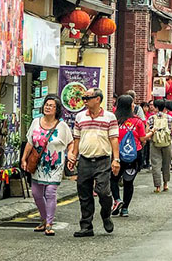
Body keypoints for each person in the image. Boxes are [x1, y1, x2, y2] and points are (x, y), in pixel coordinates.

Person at [68, 88, 120, 237]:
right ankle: (86, 225)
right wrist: (73, 156)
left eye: (87, 97)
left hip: (102, 159)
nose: (84, 100)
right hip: (84, 160)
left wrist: (116, 160)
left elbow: (114, 139)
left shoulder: (109, 117)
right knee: (84, 193)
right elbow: (77, 139)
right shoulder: (80, 117)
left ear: (98, 99)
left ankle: (106, 215)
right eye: (83, 98)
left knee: (103, 192)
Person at [21, 95, 73, 236]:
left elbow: (70, 142)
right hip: (37, 163)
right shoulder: (35, 122)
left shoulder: (62, 126)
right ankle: (43, 219)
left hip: (54, 164)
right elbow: (30, 142)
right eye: (46, 104)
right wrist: (24, 159)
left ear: (57, 110)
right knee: (37, 193)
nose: (47, 107)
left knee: (50, 192)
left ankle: (49, 223)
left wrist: (71, 155)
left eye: (51, 105)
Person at [111, 95, 150, 218]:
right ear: (129, 105)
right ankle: (125, 209)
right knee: (129, 182)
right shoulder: (137, 121)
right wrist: (151, 133)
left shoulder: (114, 120)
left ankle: (117, 200)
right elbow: (143, 138)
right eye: (133, 103)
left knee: (113, 180)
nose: (134, 105)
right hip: (134, 156)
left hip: (116, 155)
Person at [147, 99, 172, 192]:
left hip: (155, 142)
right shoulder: (169, 118)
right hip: (167, 142)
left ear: (156, 108)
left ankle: (157, 186)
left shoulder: (151, 118)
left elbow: (147, 131)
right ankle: (165, 184)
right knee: (166, 163)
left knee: (156, 164)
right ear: (164, 107)